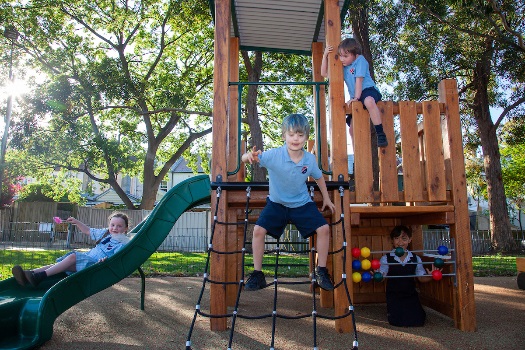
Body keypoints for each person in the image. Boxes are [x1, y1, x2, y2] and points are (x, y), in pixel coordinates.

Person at [241, 113, 336, 291]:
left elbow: (319, 178)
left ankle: (321, 271)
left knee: (324, 229)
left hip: (301, 203)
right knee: (258, 231)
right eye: (291, 135)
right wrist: (249, 156)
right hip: (277, 204)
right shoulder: (274, 155)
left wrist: (327, 199)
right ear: (284, 135)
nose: (296, 139)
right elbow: (245, 159)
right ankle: (257, 274)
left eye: (300, 135)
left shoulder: (309, 159)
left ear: (306, 137)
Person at [12, 212, 130, 287]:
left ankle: (39, 277)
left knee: (73, 257)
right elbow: (88, 231)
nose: (115, 228)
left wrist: (105, 261)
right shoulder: (105, 233)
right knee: (62, 263)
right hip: (88, 260)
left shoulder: (122, 243)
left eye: (119, 226)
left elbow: (116, 260)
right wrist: (76, 222)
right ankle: (30, 274)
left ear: (125, 229)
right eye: (112, 225)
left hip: (96, 267)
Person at [321, 37, 387, 149]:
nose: (342, 59)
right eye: (340, 56)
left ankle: (380, 133)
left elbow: (359, 81)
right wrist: (325, 55)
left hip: (368, 90)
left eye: (345, 56)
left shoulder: (360, 60)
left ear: (355, 54)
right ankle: (356, 154)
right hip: (356, 97)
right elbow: (324, 73)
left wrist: (356, 98)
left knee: (369, 101)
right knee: (351, 129)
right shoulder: (343, 67)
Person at [378, 225, 438, 327]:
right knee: (397, 322)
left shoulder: (415, 259)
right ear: (392, 240)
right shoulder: (386, 259)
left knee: (418, 320)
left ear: (410, 240)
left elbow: (421, 278)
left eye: (404, 238)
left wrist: (432, 276)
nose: (400, 242)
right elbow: (382, 277)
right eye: (396, 238)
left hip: (410, 295)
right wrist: (377, 276)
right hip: (394, 296)